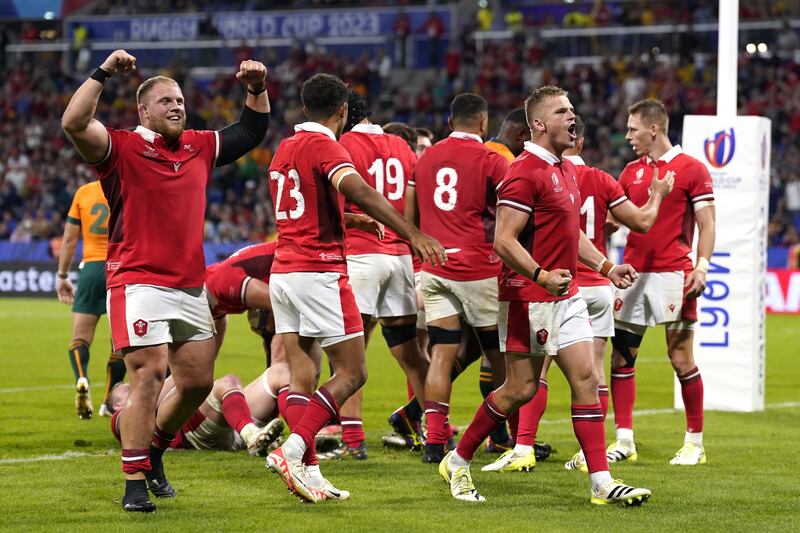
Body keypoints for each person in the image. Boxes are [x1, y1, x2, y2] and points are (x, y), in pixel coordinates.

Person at [61, 49, 271, 513]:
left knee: (197, 381)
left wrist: (255, 89)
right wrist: (102, 73)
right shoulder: (119, 147)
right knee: (149, 377)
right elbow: (75, 122)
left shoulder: (198, 145)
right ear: (143, 111)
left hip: (189, 285)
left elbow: (251, 130)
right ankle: (134, 482)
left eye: (179, 100)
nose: (177, 106)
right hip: (136, 282)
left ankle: (154, 450)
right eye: (165, 101)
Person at [439, 86, 651, 506]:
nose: (572, 116)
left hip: (565, 294)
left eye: (573, 109)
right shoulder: (523, 171)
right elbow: (503, 240)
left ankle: (601, 483)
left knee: (587, 379)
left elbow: (570, 238)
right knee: (519, 389)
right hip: (526, 297)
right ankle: (458, 461)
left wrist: (607, 268)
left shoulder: (566, 170)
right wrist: (539, 274)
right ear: (538, 124)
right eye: (561, 111)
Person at [264, 73, 446, 504]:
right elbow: (359, 191)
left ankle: (310, 469)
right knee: (353, 371)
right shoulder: (328, 146)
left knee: (302, 373)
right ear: (342, 110)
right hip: (320, 271)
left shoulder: (284, 149)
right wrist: (412, 233)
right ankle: (291, 450)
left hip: (284, 271)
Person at [483, 115, 673, 473]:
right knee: (591, 373)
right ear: (581, 143)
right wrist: (657, 195)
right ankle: (591, 458)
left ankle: (523, 445)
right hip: (591, 286)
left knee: (535, 377)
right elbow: (642, 221)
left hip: (557, 282)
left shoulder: (551, 173)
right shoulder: (598, 178)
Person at [607, 99, 715, 466]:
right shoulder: (629, 172)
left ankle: (694, 443)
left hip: (674, 274)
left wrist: (701, 267)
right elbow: (614, 221)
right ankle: (624, 440)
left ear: (653, 128)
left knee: (680, 357)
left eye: (633, 129)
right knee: (622, 357)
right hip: (632, 274)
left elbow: (707, 224)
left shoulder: (691, 169)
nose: (628, 136)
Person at [406, 93, 509, 464]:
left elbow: (409, 215)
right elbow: (511, 213)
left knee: (441, 353)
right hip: (478, 268)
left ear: (450, 122)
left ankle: (434, 441)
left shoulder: (425, 158)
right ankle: (499, 434)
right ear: (483, 124)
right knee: (497, 357)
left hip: (435, 267)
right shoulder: (492, 160)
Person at [328, 91, 428, 459]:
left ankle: (352, 440)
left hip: (360, 255)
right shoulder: (402, 146)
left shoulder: (342, 144)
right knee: (412, 353)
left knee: (350, 355)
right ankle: (437, 429)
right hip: (399, 256)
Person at [56, 179, 126, 419]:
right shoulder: (129, 187)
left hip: (91, 270)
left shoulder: (84, 192)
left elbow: (68, 239)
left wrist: (62, 275)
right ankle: (108, 401)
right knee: (120, 343)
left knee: (79, 338)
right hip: (122, 266)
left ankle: (81, 379)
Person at [482, 106, 530, 453]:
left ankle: (419, 416)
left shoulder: (480, 151)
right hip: (488, 266)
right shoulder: (504, 163)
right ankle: (505, 437)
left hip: (456, 263)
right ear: (521, 135)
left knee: (456, 352)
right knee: (499, 358)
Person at [109, 366, 287, 456]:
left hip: (226, 422)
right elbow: (181, 374)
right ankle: (252, 435)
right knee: (226, 383)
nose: (131, 387)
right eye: (125, 390)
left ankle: (306, 438)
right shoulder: (120, 418)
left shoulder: (151, 392)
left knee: (279, 371)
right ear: (118, 406)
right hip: (193, 433)